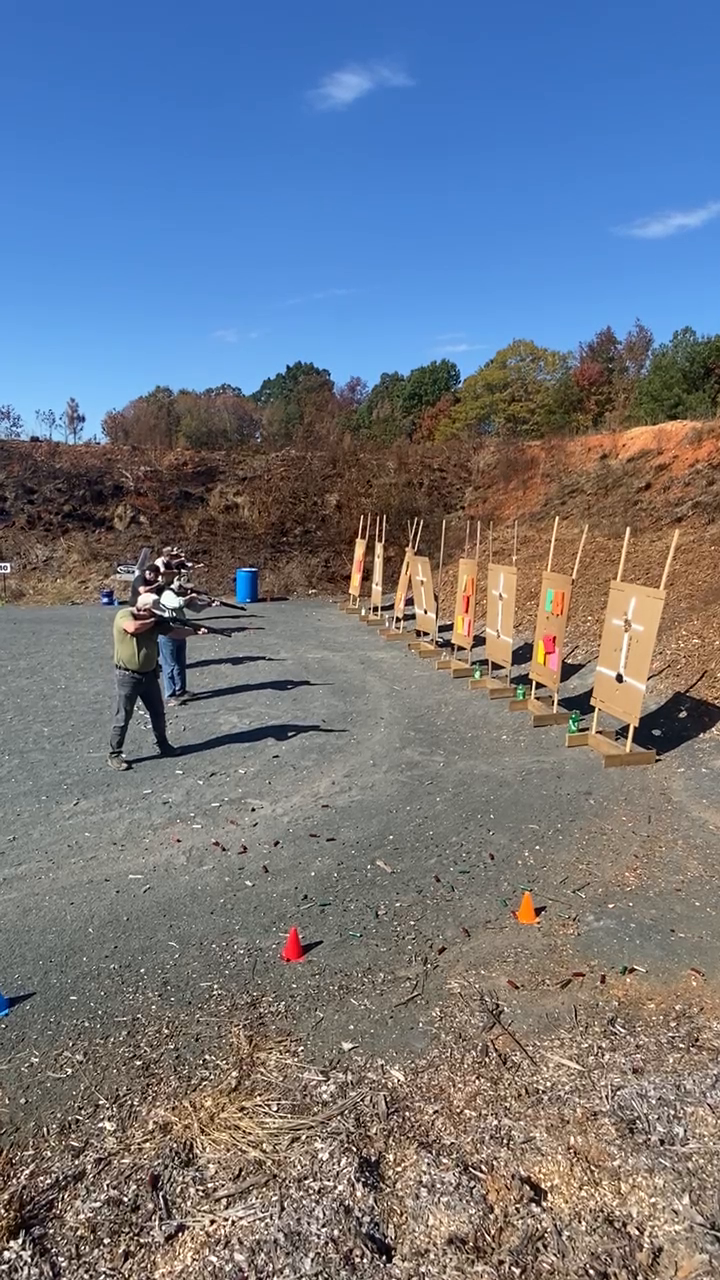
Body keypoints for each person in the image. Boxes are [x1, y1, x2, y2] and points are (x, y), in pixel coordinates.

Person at [109, 592, 209, 770]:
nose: (156, 615)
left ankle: (163, 745)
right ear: (144, 609)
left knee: (158, 713)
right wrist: (154, 621)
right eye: (153, 612)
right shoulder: (124, 615)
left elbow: (176, 633)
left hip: (149, 675)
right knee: (123, 716)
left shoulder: (154, 622)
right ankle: (115, 754)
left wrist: (194, 631)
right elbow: (132, 628)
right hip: (127, 677)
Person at [154, 571, 219, 705]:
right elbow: (178, 604)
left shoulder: (179, 594)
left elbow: (195, 608)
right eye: (183, 585)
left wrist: (208, 604)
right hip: (168, 633)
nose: (187, 589)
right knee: (169, 665)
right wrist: (191, 596)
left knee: (180, 664)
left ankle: (181, 690)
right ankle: (170, 695)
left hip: (180, 632)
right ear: (176, 582)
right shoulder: (167, 594)